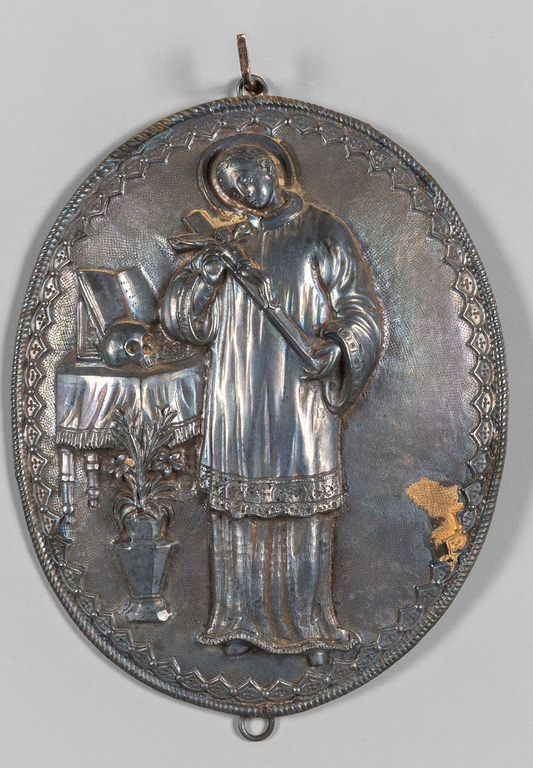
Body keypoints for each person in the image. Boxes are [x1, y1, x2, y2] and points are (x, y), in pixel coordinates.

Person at [162, 134, 382, 665]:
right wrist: (207, 273)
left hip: (299, 393)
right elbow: (181, 321)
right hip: (237, 393)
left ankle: (310, 625)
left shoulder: (323, 230)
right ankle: (238, 619)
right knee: (240, 506)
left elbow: (360, 309)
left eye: (247, 178)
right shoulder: (228, 240)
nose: (243, 192)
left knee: (301, 504)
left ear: (271, 168)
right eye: (231, 188)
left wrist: (337, 350)